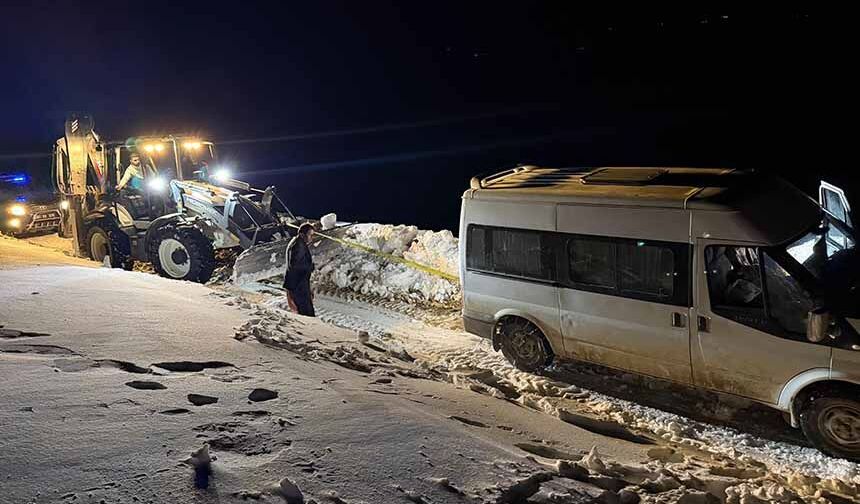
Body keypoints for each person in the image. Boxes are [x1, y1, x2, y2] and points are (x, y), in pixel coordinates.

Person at [284, 223, 316, 316]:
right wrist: (310, 267)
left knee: (305, 313)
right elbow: (294, 265)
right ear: (302, 234)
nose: (311, 238)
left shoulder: (298, 243)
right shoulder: (298, 246)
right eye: (310, 235)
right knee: (306, 314)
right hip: (298, 286)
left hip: (299, 285)